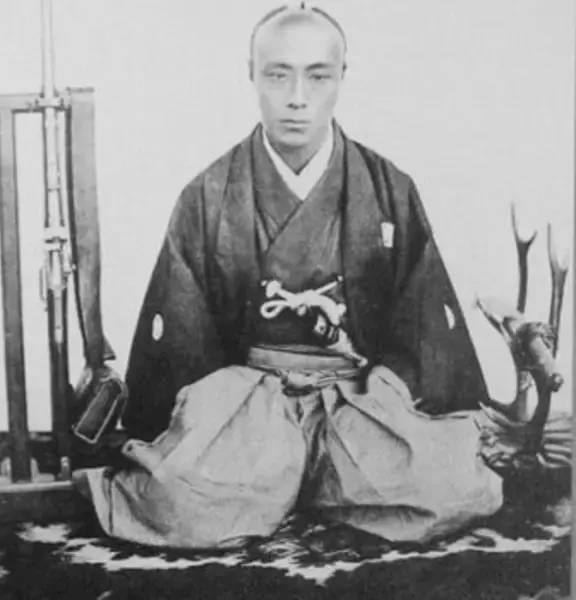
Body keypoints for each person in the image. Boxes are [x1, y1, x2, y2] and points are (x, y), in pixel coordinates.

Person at [73, 4, 568, 549]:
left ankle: (296, 484)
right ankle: (318, 483)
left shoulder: (388, 187)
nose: (297, 97)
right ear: (251, 75)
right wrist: (210, 425)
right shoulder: (208, 194)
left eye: (317, 76)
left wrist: (387, 395)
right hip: (250, 407)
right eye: (278, 75)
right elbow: (184, 343)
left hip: (357, 398)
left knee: (452, 487)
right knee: (175, 499)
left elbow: (421, 326)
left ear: (341, 78)